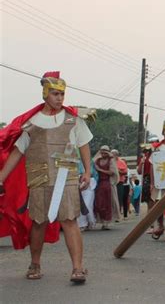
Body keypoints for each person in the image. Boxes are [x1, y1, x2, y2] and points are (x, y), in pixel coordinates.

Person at [0, 71, 93, 283]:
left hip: (67, 177)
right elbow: (17, 152)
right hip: (39, 177)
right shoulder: (31, 123)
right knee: (39, 223)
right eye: (54, 93)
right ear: (45, 94)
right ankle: (35, 263)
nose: (59, 98)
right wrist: (1, 177)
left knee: (70, 220)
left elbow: (84, 145)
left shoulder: (73, 119)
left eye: (62, 93)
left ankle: (77, 268)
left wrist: (87, 171)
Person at [94, 145, 118, 230]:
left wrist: (100, 170)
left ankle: (106, 223)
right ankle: (101, 220)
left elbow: (112, 173)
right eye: (102, 152)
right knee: (99, 203)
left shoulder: (111, 160)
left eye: (105, 152)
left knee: (107, 203)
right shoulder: (97, 161)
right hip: (99, 184)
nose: (103, 154)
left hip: (107, 183)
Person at [112, 149, 129, 219]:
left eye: (112, 154)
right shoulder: (110, 162)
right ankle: (113, 214)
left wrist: (117, 170)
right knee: (112, 199)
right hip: (112, 182)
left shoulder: (121, 162)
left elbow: (125, 172)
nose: (111, 156)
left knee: (119, 198)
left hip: (119, 182)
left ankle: (118, 214)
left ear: (116, 155)